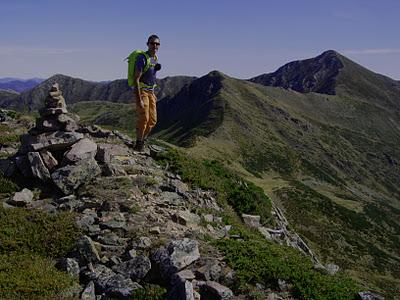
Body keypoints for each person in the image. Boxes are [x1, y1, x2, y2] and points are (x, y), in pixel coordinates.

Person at [133, 34, 161, 152]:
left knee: (153, 120)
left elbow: (151, 76)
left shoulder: (155, 59)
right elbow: (136, 79)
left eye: (157, 44)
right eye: (152, 43)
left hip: (151, 92)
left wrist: (153, 93)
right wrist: (139, 98)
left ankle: (142, 140)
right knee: (144, 118)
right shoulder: (142, 58)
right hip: (143, 91)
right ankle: (139, 143)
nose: (154, 45)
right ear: (147, 44)